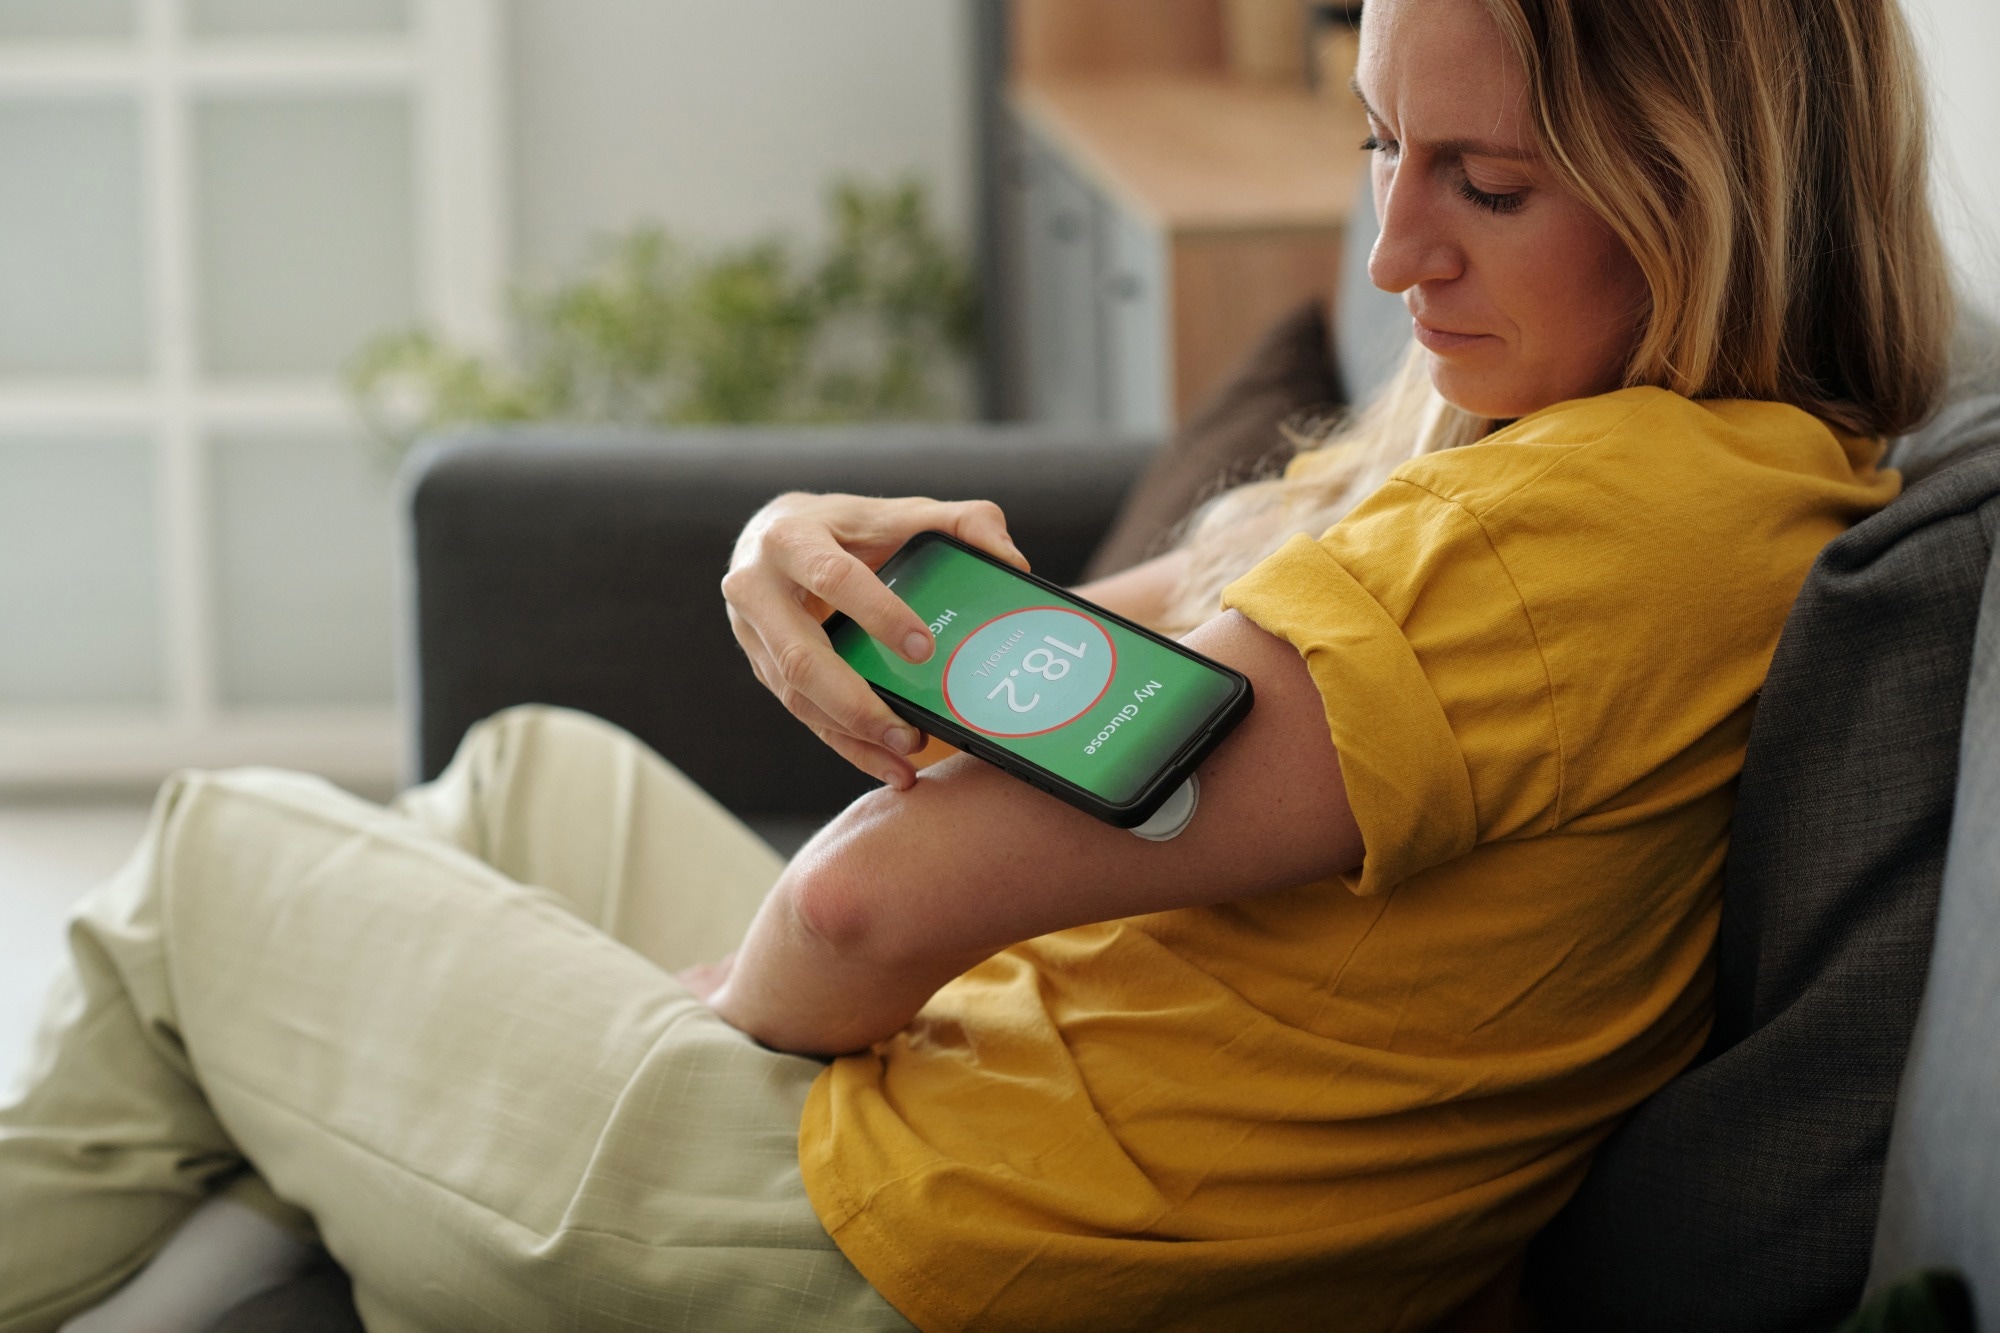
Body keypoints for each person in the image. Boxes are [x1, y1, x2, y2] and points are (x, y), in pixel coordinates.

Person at [0, 0, 1954, 1327]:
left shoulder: (1574, 533)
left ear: (1720, 178)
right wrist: (796, 549)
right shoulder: (1692, 466)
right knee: (530, 772)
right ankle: (278, 1190)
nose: (1390, 257)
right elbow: (1112, 677)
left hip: (932, 1243)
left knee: (206, 862)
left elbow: (855, 910)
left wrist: (710, 1014)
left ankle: (285, 1171)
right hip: (1028, 1149)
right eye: (1378, 145)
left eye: (1485, 185)